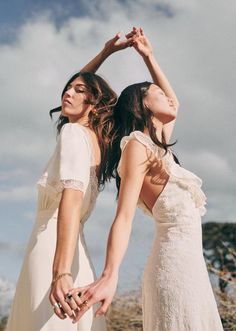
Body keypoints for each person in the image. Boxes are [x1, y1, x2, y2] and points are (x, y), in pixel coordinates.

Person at [69, 27, 224, 330]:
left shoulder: (158, 147)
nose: (167, 98)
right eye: (158, 94)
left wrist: (149, 57)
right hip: (174, 271)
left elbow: (175, 105)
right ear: (142, 105)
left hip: (192, 271)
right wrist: (109, 274)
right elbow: (123, 216)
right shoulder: (137, 146)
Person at [5, 33, 133, 331]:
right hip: (76, 246)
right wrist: (104, 53)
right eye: (67, 89)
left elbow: (72, 199)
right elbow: (82, 82)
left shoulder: (73, 133)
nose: (67, 93)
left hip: (51, 245)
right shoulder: (98, 145)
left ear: (93, 101)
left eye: (78, 91)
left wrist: (60, 272)